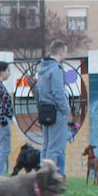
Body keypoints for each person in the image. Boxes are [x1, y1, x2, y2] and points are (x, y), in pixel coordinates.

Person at [35, 41, 71, 174]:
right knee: (55, 147)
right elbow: (58, 92)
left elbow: (39, 91)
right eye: (65, 52)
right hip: (56, 112)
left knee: (46, 145)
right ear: (61, 52)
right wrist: (66, 110)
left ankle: (41, 176)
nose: (65, 55)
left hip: (45, 110)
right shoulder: (56, 69)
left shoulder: (42, 68)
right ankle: (48, 179)